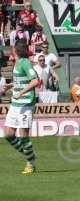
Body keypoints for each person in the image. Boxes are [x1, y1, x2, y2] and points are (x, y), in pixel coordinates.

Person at [3, 39, 40, 175]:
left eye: (13, 49)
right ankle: (30, 154)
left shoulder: (24, 62)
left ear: (16, 50)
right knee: (8, 134)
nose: (11, 51)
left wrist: (21, 92)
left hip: (25, 104)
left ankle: (31, 163)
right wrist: (11, 85)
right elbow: (22, 80)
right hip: (15, 104)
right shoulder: (17, 63)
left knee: (23, 135)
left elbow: (36, 80)